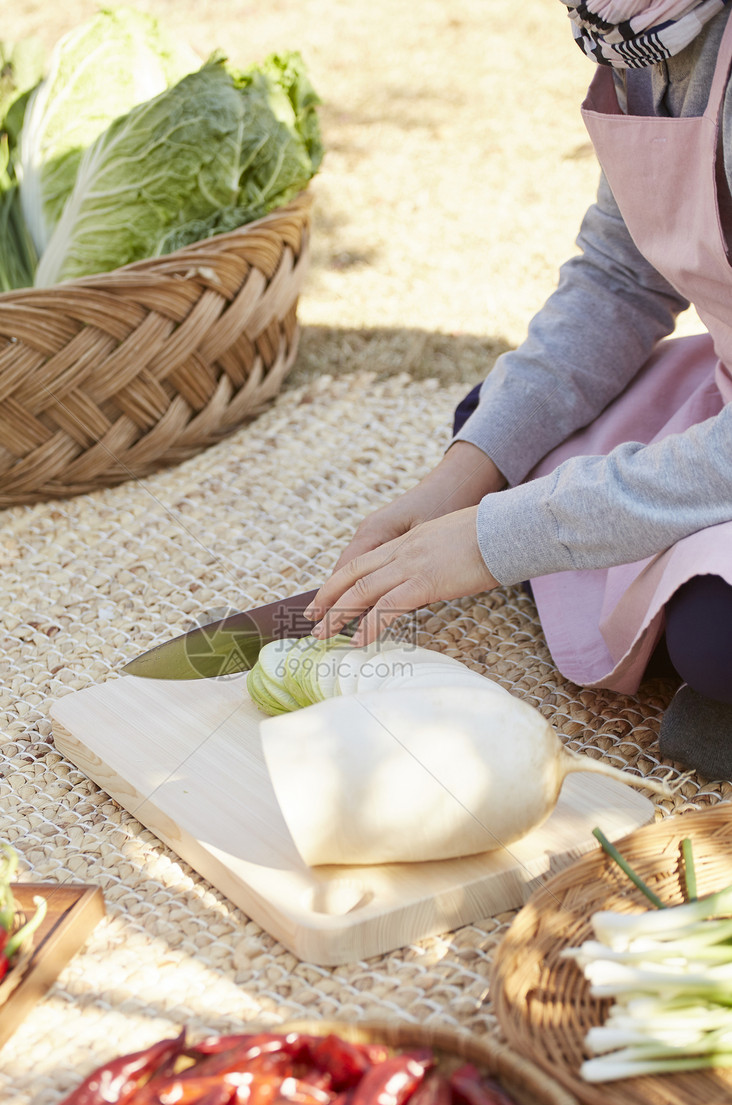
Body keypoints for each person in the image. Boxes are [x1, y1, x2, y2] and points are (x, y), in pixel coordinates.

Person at [304, 0, 732, 783]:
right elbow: (619, 277)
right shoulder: (636, 31)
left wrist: (487, 540)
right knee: (494, 425)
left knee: (719, 637)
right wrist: (455, 488)